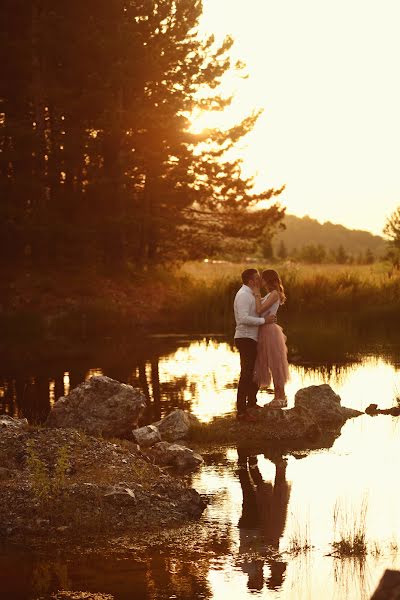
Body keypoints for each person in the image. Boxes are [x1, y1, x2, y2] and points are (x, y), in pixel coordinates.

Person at [234, 269, 277, 422]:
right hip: (245, 338)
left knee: (254, 372)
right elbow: (243, 318)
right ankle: (241, 411)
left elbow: (258, 310)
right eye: (257, 278)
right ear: (251, 281)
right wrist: (264, 321)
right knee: (246, 373)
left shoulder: (252, 293)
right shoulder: (244, 295)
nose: (260, 280)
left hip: (252, 337)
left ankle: (251, 403)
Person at [253, 269, 289, 407]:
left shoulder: (274, 294)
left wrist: (256, 295)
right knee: (269, 363)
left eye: (262, 278)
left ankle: (280, 397)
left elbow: (259, 310)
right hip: (264, 329)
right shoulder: (271, 294)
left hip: (270, 331)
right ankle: (279, 396)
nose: (260, 281)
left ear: (268, 279)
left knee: (276, 364)